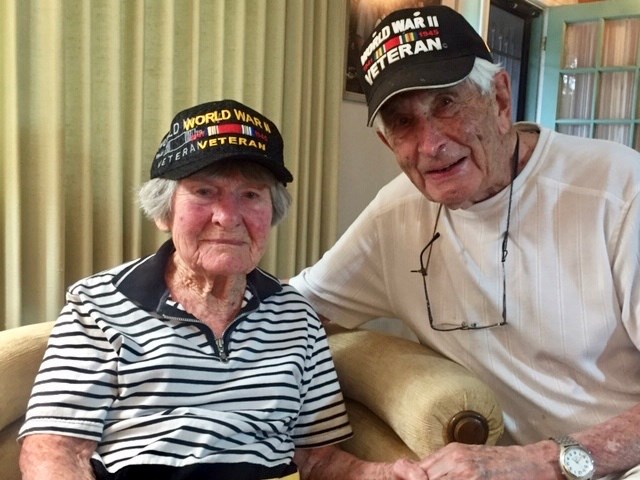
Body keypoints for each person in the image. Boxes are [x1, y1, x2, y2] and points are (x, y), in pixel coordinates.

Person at [290, 5, 640, 480]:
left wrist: (542, 462)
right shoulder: (394, 216)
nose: (430, 143)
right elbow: (290, 313)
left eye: (447, 104)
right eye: (402, 122)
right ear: (386, 143)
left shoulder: (619, 190)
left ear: (499, 100)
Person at [17, 100, 431, 480]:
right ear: (164, 211)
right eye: (204, 191)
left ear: (271, 215)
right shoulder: (97, 305)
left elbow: (318, 457)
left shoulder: (297, 317)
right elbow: (55, 450)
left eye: (251, 195)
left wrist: (389, 475)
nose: (227, 216)